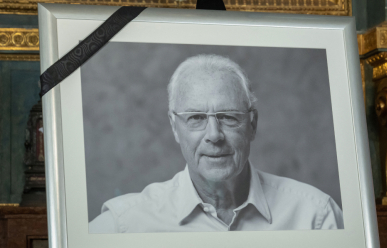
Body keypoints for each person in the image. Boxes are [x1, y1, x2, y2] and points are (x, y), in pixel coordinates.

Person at [89, 54, 344, 233]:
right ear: (174, 127)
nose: (214, 135)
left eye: (228, 117)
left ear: (252, 124)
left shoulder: (315, 215)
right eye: (196, 118)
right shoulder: (123, 224)